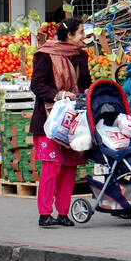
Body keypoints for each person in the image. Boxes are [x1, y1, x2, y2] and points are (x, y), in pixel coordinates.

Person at [30, 17, 92, 228]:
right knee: (52, 166)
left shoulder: (81, 55)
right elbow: (37, 85)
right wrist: (61, 95)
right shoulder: (45, 55)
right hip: (50, 120)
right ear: (69, 35)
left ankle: (63, 213)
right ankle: (45, 213)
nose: (84, 36)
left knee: (69, 167)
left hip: (74, 120)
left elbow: (86, 83)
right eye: (81, 32)